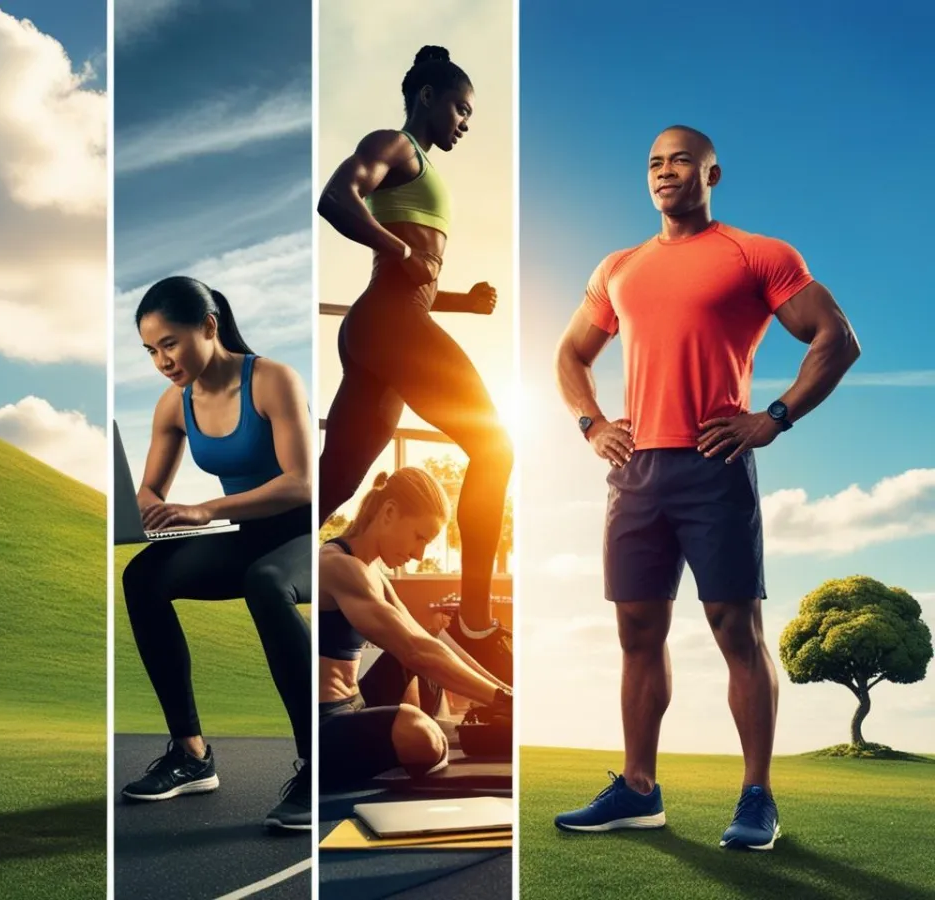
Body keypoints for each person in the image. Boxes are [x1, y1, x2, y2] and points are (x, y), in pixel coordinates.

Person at [551, 125, 861, 850]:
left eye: (681, 160)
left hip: (713, 466)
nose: (665, 172)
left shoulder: (757, 254)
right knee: (636, 634)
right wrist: (592, 424)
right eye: (654, 163)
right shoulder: (618, 267)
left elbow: (836, 337)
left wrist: (774, 417)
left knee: (734, 631)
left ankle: (757, 799)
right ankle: (637, 791)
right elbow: (569, 353)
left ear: (712, 173)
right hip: (634, 475)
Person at [316, 45, 514, 683]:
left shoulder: (424, 170)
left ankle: (259, 556)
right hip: (387, 324)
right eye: (461, 107)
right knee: (495, 446)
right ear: (427, 97)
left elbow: (413, 279)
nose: (465, 121)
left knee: (335, 483)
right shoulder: (395, 146)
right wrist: (397, 243)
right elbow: (336, 198)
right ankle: (475, 622)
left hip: (387, 326)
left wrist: (461, 301)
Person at [119, 276, 313, 831]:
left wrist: (204, 508)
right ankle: (192, 755)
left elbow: (301, 483)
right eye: (151, 350)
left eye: (170, 344)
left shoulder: (272, 380)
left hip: (298, 532)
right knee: (143, 578)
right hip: (239, 533)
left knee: (267, 582)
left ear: (209, 327)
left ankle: (319, 764)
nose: (162, 360)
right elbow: (150, 489)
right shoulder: (173, 405)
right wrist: (151, 511)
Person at [318, 468, 512, 792]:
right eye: (420, 537)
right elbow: (414, 650)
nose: (419, 554)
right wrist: (500, 701)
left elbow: (427, 642)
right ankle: (417, 739)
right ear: (390, 512)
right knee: (424, 737)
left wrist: (504, 694)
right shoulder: (338, 565)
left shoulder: (373, 571)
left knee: (431, 662)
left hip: (358, 702)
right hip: (327, 723)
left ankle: (419, 736)